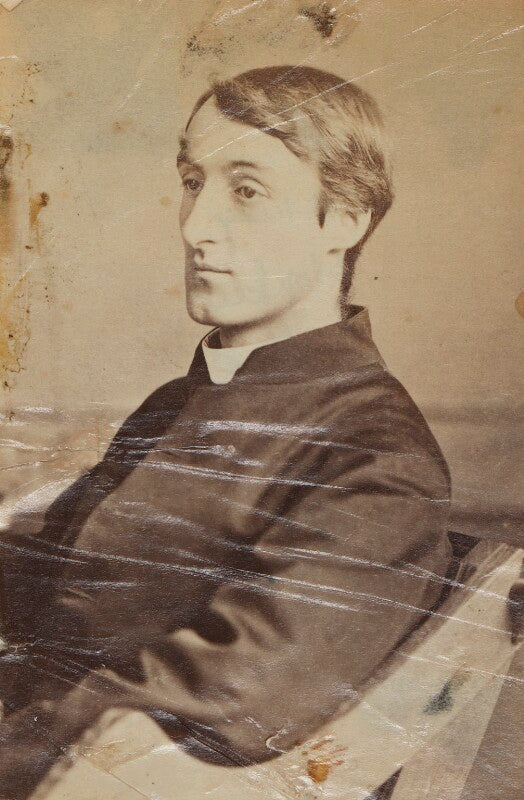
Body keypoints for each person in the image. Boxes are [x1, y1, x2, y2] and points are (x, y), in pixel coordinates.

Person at [0, 65, 452, 796]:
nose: (195, 227)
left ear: (345, 218)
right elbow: (62, 572)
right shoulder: (179, 401)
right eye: (191, 181)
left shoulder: (376, 454)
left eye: (246, 190)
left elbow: (221, 702)